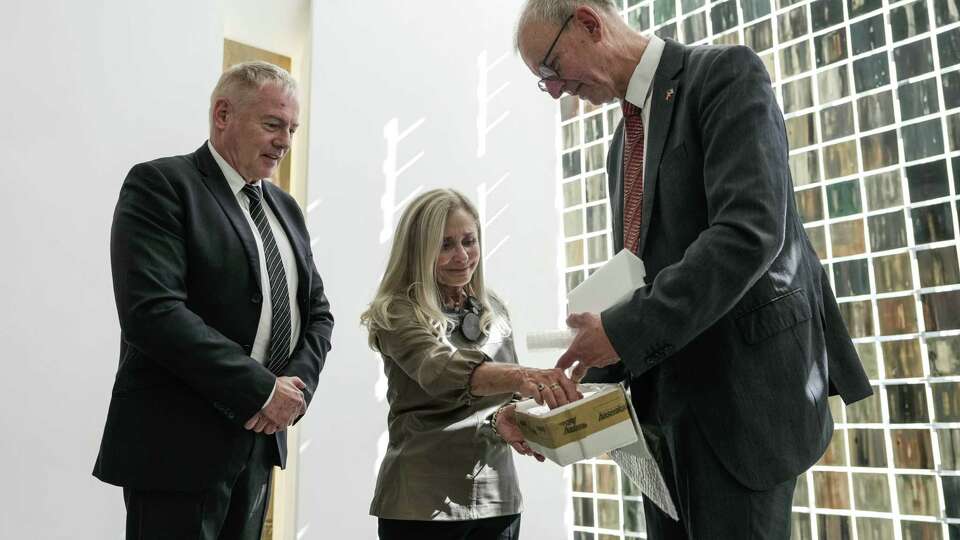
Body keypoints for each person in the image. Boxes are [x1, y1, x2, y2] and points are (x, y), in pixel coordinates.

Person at [515, 2, 873, 538]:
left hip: (739, 408)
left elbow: (747, 234)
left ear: (589, 23)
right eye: (543, 83)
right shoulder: (620, 150)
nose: (556, 91)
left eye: (549, 69)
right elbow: (641, 279)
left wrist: (620, 331)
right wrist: (568, 395)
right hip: (660, 423)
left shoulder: (725, 75)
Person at [93, 61, 334, 539]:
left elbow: (318, 314)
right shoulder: (162, 185)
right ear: (223, 114)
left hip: (259, 446)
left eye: (292, 128)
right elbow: (153, 313)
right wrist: (261, 390)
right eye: (272, 124)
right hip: (175, 449)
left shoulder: (284, 208)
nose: (285, 141)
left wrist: (293, 391)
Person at [361, 188, 579, 540]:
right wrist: (522, 376)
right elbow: (439, 370)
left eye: (469, 241)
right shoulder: (397, 311)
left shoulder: (494, 307)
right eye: (445, 245)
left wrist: (509, 416)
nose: (462, 256)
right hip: (422, 503)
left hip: (497, 498)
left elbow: (507, 395)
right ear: (419, 250)